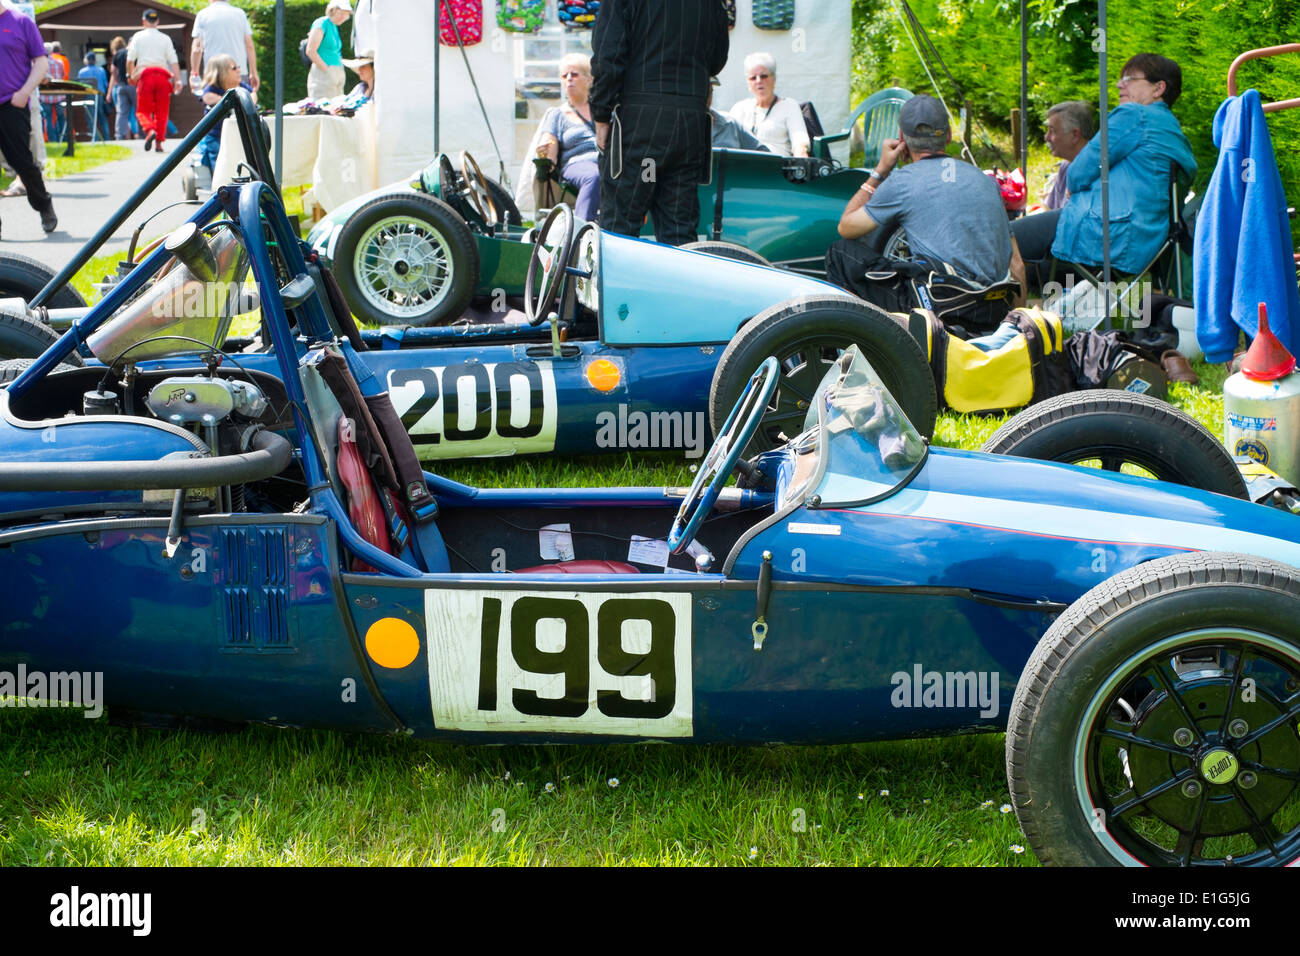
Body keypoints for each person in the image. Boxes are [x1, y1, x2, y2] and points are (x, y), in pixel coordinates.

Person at [1010, 53, 1196, 288]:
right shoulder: (1175, 135)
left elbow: (1078, 173)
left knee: (1003, 238)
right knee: (1036, 272)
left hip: (1103, 233)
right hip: (1146, 246)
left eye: (1129, 78)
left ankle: (1004, 315)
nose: (1120, 84)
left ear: (1158, 88)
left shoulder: (1134, 115)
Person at [825, 94, 1018, 313]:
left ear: (901, 139)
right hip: (996, 307)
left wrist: (880, 172)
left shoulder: (903, 181)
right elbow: (1017, 264)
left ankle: (860, 341)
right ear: (949, 136)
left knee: (840, 253)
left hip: (944, 309)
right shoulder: (985, 181)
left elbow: (847, 228)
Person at [590, 0, 728, 246]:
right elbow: (717, 59)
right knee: (678, 228)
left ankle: (617, 284)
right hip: (689, 122)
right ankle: (678, 283)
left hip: (641, 123)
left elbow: (608, 57)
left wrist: (601, 114)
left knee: (622, 223)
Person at [0, 3, 57, 235]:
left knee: (22, 161)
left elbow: (41, 61)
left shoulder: (20, 21)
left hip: (12, 104)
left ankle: (44, 204)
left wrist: (24, 93)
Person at [538, 54, 600, 222]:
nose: (569, 79)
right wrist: (544, 152)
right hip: (577, 165)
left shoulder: (603, 109)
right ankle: (580, 230)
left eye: (574, 74)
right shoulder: (557, 114)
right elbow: (548, 150)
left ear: (588, 79)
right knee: (593, 176)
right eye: (565, 76)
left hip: (607, 163)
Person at [727, 52, 808, 157]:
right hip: (745, 168)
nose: (758, 81)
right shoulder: (740, 108)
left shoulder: (789, 105)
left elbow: (800, 142)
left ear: (774, 79)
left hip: (777, 168)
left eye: (764, 76)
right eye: (753, 78)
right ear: (748, 83)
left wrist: (802, 160)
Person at [127, 8, 182, 152]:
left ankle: (150, 130)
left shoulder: (138, 37)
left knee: (142, 111)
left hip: (146, 77)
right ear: (157, 21)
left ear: (144, 21)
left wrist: (131, 76)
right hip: (163, 77)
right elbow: (174, 61)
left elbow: (130, 60)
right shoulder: (165, 38)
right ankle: (159, 143)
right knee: (162, 112)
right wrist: (178, 80)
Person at [190, 0, 258, 99]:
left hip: (213, 73)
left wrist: (194, 73)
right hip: (238, 71)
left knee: (214, 109)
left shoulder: (203, 15)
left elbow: (197, 48)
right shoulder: (240, 14)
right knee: (242, 106)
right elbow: (249, 45)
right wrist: (253, 72)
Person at [1040, 100, 1091, 210]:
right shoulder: (1065, 167)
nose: (1046, 137)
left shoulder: (1096, 172)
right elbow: (1051, 212)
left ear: (1075, 135)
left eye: (1052, 131)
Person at [194, 53, 240, 173]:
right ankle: (219, 184)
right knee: (220, 163)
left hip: (235, 134)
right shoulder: (213, 89)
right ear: (222, 73)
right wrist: (226, 100)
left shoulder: (239, 87)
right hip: (216, 135)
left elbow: (252, 95)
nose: (239, 70)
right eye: (234, 68)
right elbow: (207, 97)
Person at [306, 0, 351, 102]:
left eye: (347, 14)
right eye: (342, 13)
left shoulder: (334, 26)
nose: (344, 17)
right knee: (324, 111)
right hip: (323, 76)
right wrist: (327, 70)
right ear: (333, 10)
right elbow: (310, 50)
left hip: (337, 73)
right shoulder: (321, 23)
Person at [709, 77, 765, 150]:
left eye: (710, 92)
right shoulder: (689, 126)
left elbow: (764, 153)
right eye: (701, 92)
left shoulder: (729, 123)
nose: (706, 97)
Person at [76, 52, 112, 142]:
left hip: (89, 95)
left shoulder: (82, 71)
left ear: (86, 60)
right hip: (100, 95)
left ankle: (94, 138)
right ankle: (106, 138)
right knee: (102, 117)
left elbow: (80, 85)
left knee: (91, 117)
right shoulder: (101, 70)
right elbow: (105, 84)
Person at [107, 36, 138, 140]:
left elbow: (113, 70)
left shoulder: (118, 54)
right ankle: (142, 133)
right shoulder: (133, 53)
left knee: (121, 112)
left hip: (121, 86)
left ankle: (119, 135)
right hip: (133, 86)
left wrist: (117, 81)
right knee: (139, 111)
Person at [39, 41, 65, 143]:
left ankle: (53, 141)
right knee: (61, 119)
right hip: (59, 95)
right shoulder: (59, 63)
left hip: (45, 96)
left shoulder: (40, 64)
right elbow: (62, 76)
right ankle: (64, 139)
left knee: (48, 119)